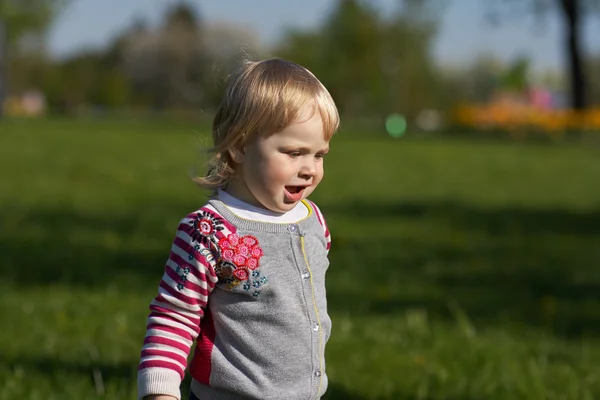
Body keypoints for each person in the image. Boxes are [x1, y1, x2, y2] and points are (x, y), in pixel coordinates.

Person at [137, 57, 339, 400]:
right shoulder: (210, 230)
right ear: (240, 146)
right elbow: (174, 315)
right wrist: (160, 392)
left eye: (319, 155)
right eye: (294, 152)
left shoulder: (313, 219)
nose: (309, 169)